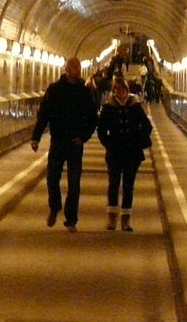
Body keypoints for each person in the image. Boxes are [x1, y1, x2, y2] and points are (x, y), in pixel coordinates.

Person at [31, 57, 98, 231]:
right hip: (58, 141)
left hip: (75, 143)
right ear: (66, 69)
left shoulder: (85, 92)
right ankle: (54, 206)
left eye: (77, 67)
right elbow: (44, 114)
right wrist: (36, 137)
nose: (75, 70)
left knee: (74, 183)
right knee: (52, 177)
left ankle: (71, 219)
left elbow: (93, 118)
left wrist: (83, 137)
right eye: (72, 67)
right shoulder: (54, 90)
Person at [96, 76, 154, 231]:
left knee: (128, 185)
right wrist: (109, 143)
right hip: (114, 152)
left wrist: (139, 141)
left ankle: (126, 219)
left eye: (121, 89)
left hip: (132, 153)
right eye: (115, 90)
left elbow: (147, 126)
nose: (118, 92)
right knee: (113, 184)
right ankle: (112, 218)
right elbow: (101, 130)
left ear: (126, 90)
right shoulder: (109, 107)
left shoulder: (135, 106)